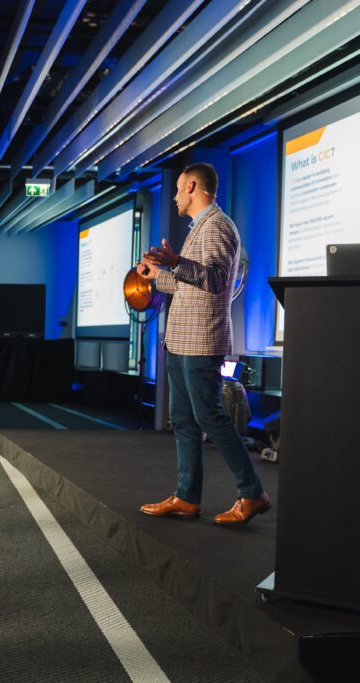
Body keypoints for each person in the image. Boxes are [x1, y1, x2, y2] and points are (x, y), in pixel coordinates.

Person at [136, 162, 269, 525]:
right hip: (180, 341)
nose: (176, 196)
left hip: (200, 342)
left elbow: (215, 281)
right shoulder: (200, 229)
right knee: (183, 419)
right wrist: (158, 275)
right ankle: (186, 498)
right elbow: (187, 286)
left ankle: (252, 493)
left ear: (192, 186)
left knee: (210, 416)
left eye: (179, 189)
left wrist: (176, 262)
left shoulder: (218, 227)